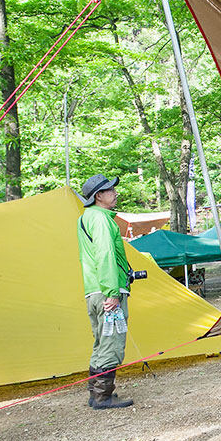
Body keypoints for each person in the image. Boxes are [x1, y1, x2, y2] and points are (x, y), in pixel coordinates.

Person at [77, 174, 134, 409]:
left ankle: (95, 394)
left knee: (101, 342)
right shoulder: (101, 219)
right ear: (98, 196)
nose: (115, 193)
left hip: (93, 290)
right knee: (111, 343)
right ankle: (103, 397)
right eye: (110, 190)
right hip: (106, 290)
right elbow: (105, 255)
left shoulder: (85, 218)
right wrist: (112, 292)